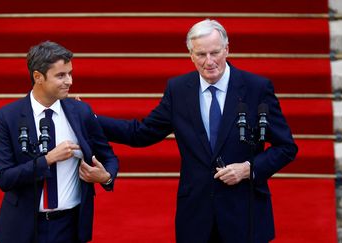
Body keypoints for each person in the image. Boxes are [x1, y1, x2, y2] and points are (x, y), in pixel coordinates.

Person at [97, 19, 298, 242]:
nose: (209, 62)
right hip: (196, 216)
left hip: (244, 212)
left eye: (215, 53)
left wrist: (247, 169)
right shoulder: (179, 89)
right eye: (201, 54)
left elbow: (286, 147)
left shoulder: (256, 88)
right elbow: (141, 133)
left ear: (227, 49)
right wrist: (91, 119)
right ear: (191, 55)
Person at [0, 41, 118, 243]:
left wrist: (106, 177)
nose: (69, 81)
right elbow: (4, 178)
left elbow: (108, 156)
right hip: (23, 228)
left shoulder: (81, 112)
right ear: (38, 77)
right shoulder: (8, 117)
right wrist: (48, 159)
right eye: (60, 75)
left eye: (70, 73)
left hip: (70, 227)